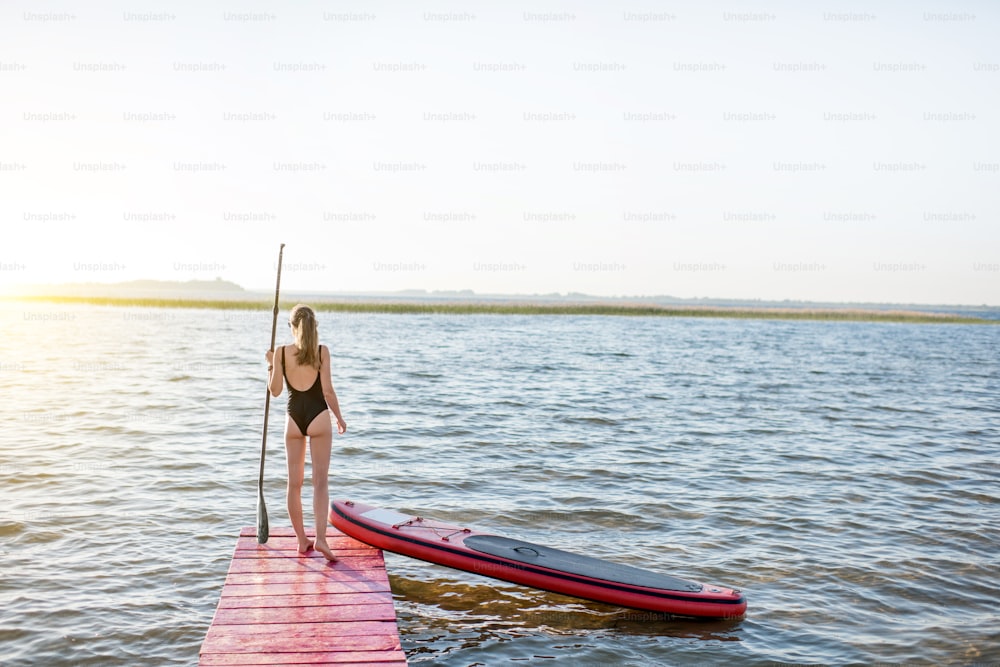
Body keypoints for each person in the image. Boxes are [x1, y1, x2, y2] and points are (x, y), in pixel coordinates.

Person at [266, 304, 347, 561]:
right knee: (320, 482)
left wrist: (271, 366)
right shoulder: (322, 352)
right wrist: (339, 417)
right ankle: (321, 539)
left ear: (292, 327)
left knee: (294, 484)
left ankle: (302, 540)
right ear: (314, 327)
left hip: (293, 421)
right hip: (319, 418)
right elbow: (327, 392)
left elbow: (275, 391)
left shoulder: (280, 353)